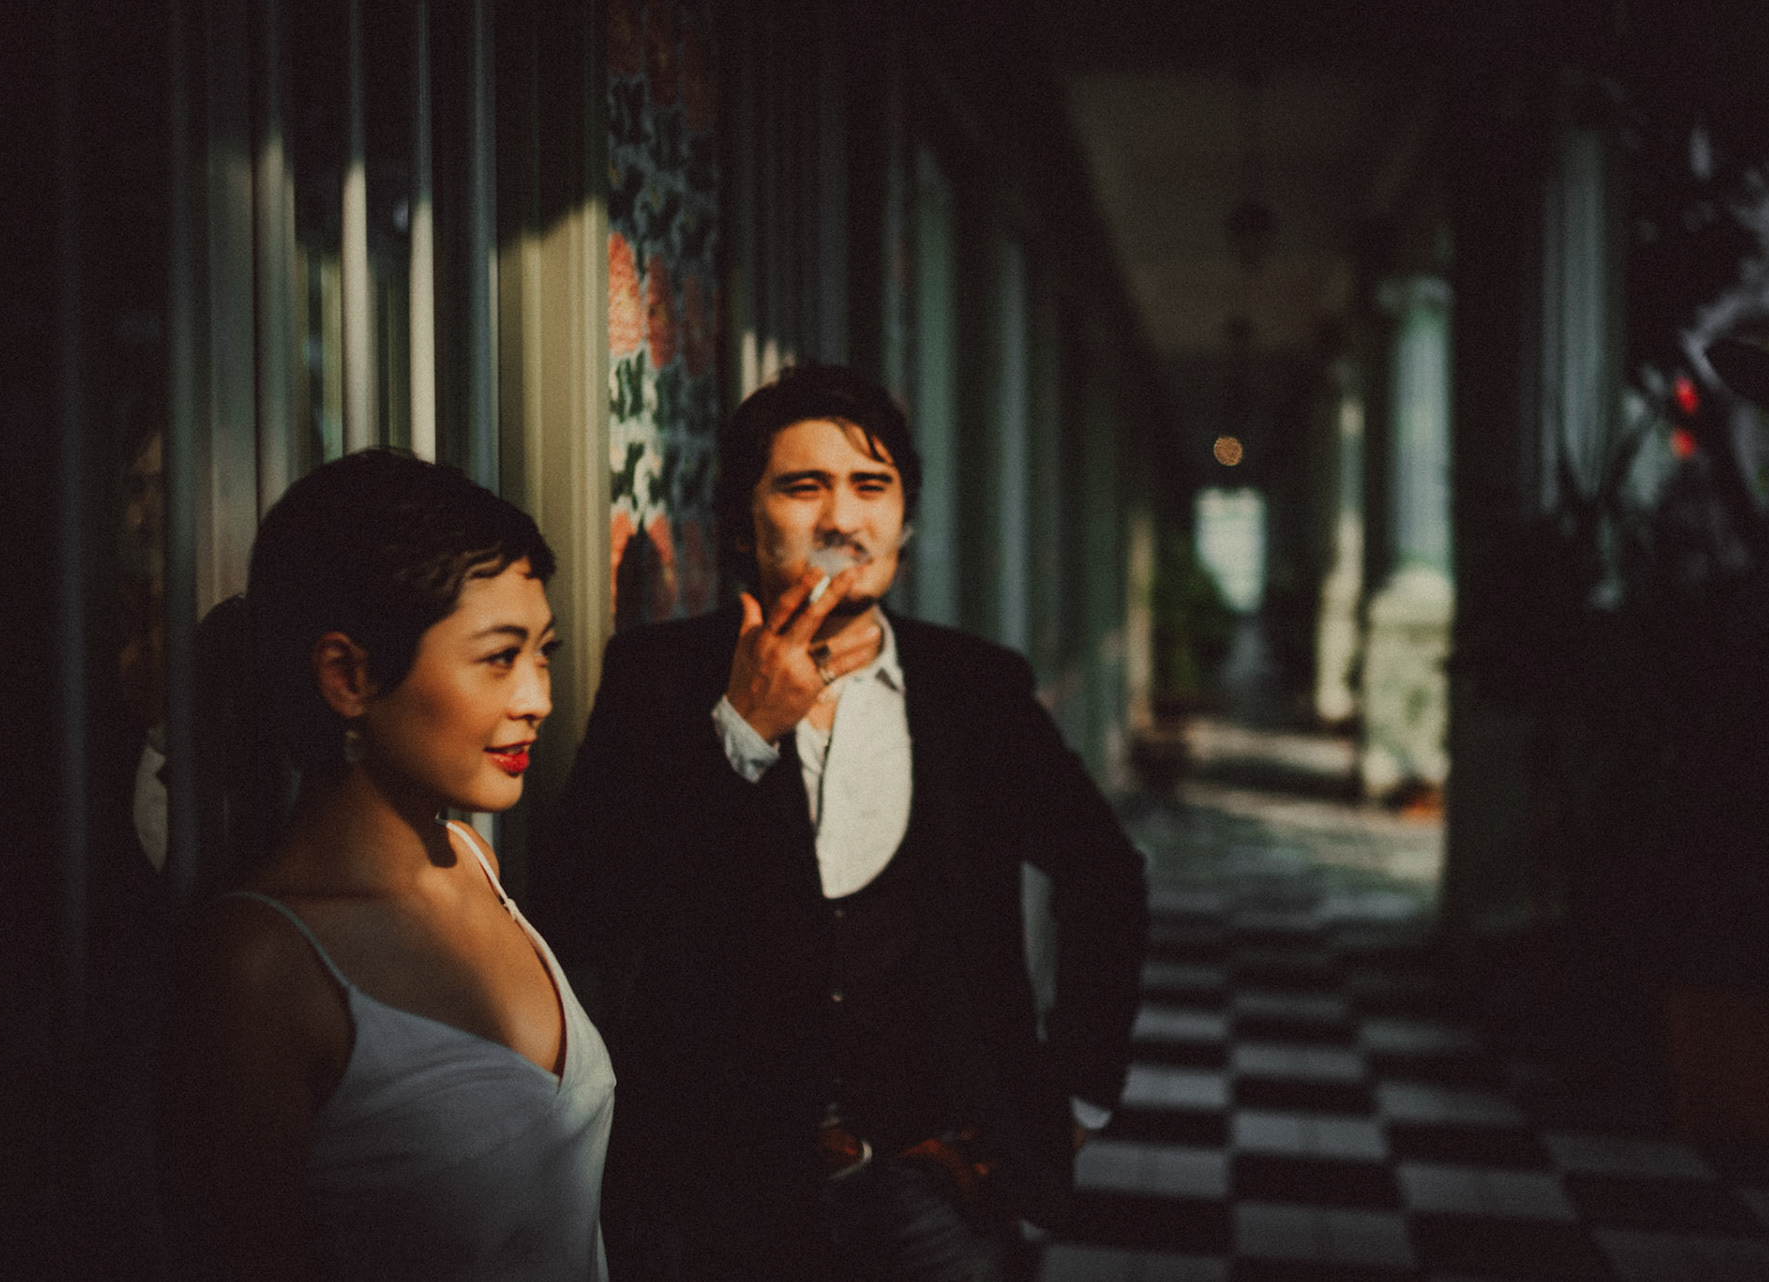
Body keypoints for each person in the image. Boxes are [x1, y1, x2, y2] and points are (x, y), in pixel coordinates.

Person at [540, 365, 1148, 1280]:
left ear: (904, 518)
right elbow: (584, 909)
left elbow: (1106, 875)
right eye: (802, 486)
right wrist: (740, 732)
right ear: (745, 522)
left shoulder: (975, 688)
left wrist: (1077, 1097)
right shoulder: (659, 677)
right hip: (719, 1194)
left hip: (938, 1184)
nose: (841, 518)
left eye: (871, 487)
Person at [160, 449, 615, 1281]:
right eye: (498, 657)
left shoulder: (473, 861)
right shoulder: (261, 967)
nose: (538, 697)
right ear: (349, 675)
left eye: (543, 652)